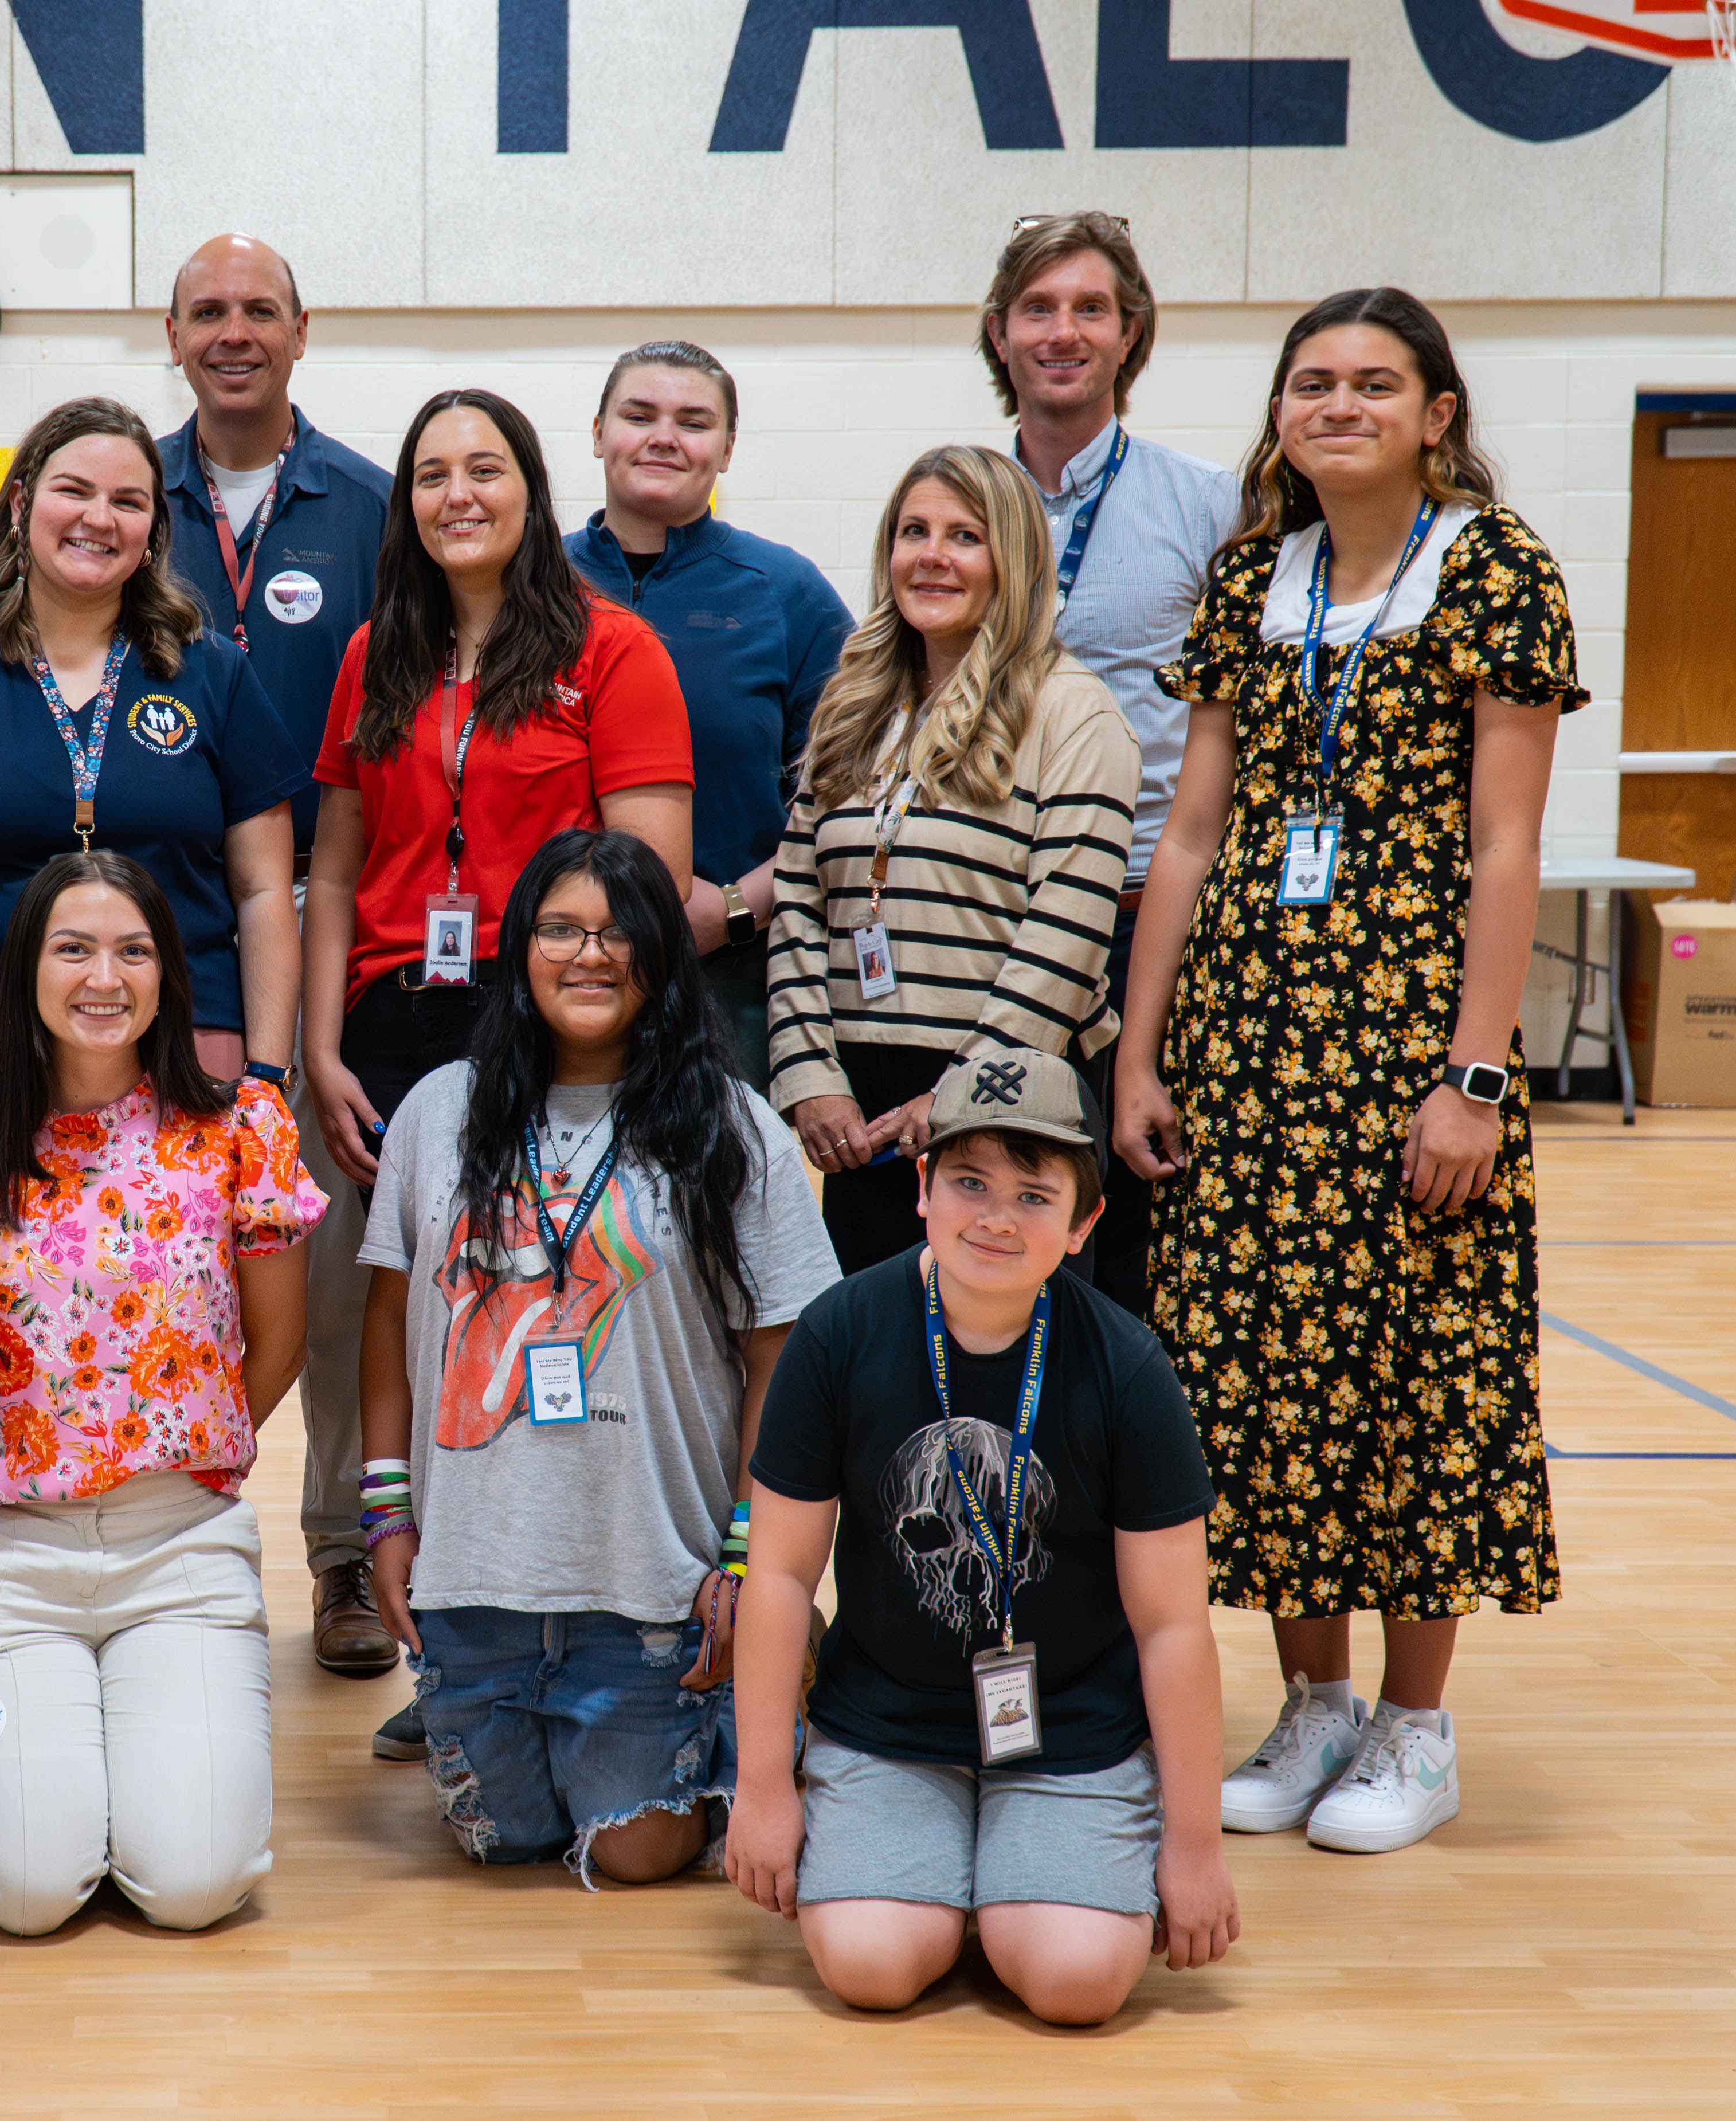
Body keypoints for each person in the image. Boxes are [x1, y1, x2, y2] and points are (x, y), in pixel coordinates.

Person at [1113, 288, 1578, 1857]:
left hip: (1404, 1048)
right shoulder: (1253, 576)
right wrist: (1139, 1046)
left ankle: (1413, 1721)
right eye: (1311, 381)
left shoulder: (1496, 570)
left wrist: (1476, 1073)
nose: (1338, 404)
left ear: (1436, 411)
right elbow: (1189, 833)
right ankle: (1310, 1698)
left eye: (1375, 383)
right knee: (1260, 1369)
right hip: (1248, 1042)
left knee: (1412, 1372)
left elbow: (1507, 842)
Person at [299, 384, 696, 1762]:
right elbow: (336, 867)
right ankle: (444, 1629)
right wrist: (315, 1041)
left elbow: (643, 884)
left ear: (530, 490)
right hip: (392, 1027)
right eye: (428, 473)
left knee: (522, 1335)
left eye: (483, 468)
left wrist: (591, 1035)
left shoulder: (613, 648)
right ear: (402, 502)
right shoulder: (374, 653)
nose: (454, 492)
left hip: (545, 1028)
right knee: (415, 1334)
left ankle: (567, 1625)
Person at [0, 852, 325, 1935]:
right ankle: (55, 1771)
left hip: (180, 1550)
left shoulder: (237, 1131)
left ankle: (123, 1761)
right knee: (24, 1896)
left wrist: (162, 1446)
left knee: (196, 1889)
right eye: (74, 948)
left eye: (133, 949)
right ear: (26, 968)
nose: (103, 976)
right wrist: (13, 1454)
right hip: (8, 1552)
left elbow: (280, 1342)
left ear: (168, 974)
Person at [360, 830, 835, 1885]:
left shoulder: (730, 1124)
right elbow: (389, 1333)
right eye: (561, 929)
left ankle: (762, 1713)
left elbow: (784, 1357)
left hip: (649, 1586)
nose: (589, 954)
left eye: (620, 932)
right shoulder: (439, 1111)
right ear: (519, 949)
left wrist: (753, 1556)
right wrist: (386, 1511)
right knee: (505, 1840)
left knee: (633, 1853)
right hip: (474, 1581)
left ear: (663, 957)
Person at [726, 1050, 1239, 2026]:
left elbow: (1173, 1625)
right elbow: (783, 1576)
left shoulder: (1129, 1368)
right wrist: (762, 1785)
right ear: (921, 1188)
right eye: (969, 1183)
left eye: (1034, 1195)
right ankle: (946, 1869)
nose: (997, 1217)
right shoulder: (838, 1334)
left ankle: (1014, 1875)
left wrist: (1195, 1842)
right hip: (887, 1725)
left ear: (1086, 1223)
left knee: (1075, 1981)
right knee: (872, 1965)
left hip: (1073, 1731)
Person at [153, 230, 399, 1681]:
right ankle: (167, 1543)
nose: (233, 332)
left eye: (258, 309)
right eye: (207, 312)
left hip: (340, 934)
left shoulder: (372, 508)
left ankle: (345, 1560)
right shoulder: (120, 496)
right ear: (169, 333)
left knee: (332, 1266)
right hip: (164, 934)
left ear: (302, 330)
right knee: (162, 1263)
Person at [0, 393, 302, 1111]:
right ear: (21, 505)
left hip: (183, 1048)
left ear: (152, 530)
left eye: (127, 500)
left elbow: (264, 891)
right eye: (73, 490)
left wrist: (267, 1075)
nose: (98, 518)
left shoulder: (213, 675)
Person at [765, 445, 1138, 1277]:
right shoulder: (852, 705)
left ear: (1011, 557)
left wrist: (963, 1093)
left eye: (964, 536)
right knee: (878, 1370)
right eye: (912, 532)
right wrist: (808, 1076)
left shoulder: (1070, 711)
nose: (930, 555)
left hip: (1012, 1099)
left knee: (1001, 1375)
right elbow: (795, 897)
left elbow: (1067, 932)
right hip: (861, 1114)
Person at [977, 213, 1239, 1318]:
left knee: (1131, 1221)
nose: (1063, 331)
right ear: (999, 336)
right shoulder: (961, 508)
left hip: (1143, 912)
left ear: (1132, 334)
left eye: (1090, 308)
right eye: (1038, 308)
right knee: (1002, 1207)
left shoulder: (1209, 508)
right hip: (994, 910)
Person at [565, 341, 855, 1080]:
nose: (663, 436)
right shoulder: (530, 580)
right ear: (597, 431)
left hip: (727, 975)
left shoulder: (787, 592)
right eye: (639, 415)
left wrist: (731, 909)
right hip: (552, 970)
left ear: (726, 449)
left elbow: (846, 795)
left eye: (693, 422)